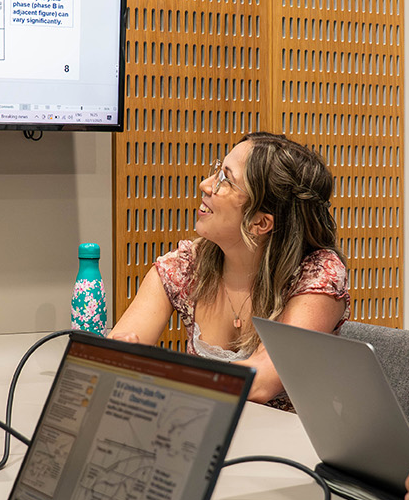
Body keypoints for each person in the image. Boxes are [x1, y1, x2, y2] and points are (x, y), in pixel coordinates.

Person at [110, 132, 350, 407]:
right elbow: (116, 356)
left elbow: (260, 382)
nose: (205, 185)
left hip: (288, 444)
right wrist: (123, 352)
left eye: (226, 180)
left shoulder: (319, 275)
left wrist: (157, 373)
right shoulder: (186, 265)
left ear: (260, 223)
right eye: (216, 171)